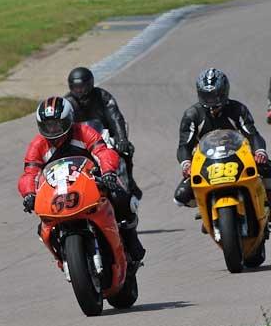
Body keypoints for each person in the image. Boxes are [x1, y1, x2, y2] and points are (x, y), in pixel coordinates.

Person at [19, 96, 145, 264]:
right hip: (58, 191)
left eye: (57, 124)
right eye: (47, 125)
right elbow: (30, 173)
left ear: (68, 120)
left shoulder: (83, 131)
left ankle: (131, 240)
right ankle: (62, 257)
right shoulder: (38, 144)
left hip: (91, 180)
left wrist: (107, 172)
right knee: (43, 226)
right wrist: (29, 194)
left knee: (123, 199)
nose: (52, 129)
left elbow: (103, 151)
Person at [175, 68, 270, 207]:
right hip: (207, 163)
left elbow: (252, 134)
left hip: (239, 158)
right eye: (207, 95)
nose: (211, 100)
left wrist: (260, 151)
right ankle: (207, 208)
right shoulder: (192, 115)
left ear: (224, 92)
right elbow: (184, 145)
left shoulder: (238, 109)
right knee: (180, 197)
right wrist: (186, 164)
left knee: (268, 171)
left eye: (215, 95)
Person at [65, 66, 142, 200]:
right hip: (80, 142)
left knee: (127, 150)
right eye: (77, 88)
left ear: (90, 84)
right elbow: (63, 126)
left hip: (106, 137)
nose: (80, 91)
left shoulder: (102, 96)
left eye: (83, 87)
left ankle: (129, 181)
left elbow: (116, 118)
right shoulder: (67, 103)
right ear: (71, 87)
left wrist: (122, 139)